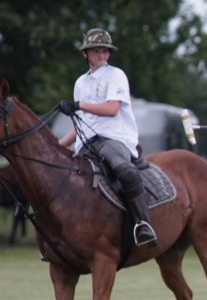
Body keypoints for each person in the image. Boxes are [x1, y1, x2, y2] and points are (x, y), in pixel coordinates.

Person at [58, 28, 157, 247]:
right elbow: (83, 123)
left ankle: (143, 224)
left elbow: (112, 109)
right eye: (96, 51)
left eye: (105, 51)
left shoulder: (116, 75)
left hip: (115, 137)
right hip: (87, 142)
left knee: (125, 170)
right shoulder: (80, 83)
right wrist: (58, 145)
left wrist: (78, 105)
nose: (102, 56)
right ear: (86, 54)